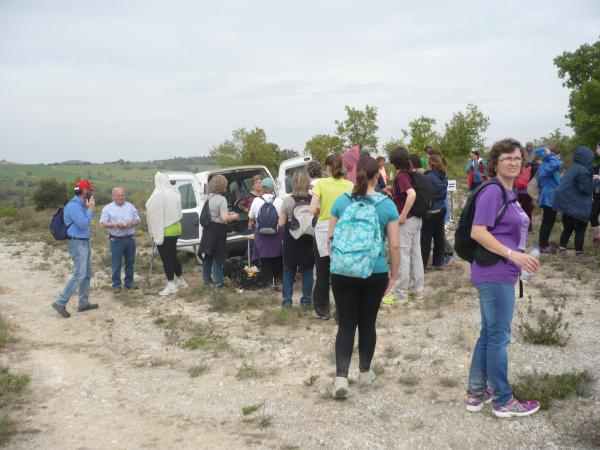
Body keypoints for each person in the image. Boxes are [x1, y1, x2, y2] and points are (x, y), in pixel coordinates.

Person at [466, 138, 541, 418]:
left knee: (489, 333)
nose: (514, 162)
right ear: (495, 163)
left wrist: (522, 259)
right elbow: (478, 232)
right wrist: (513, 255)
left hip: (502, 271)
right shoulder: (493, 192)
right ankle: (503, 399)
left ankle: (476, 392)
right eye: (507, 158)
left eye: (518, 158)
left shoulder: (509, 194)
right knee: (499, 336)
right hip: (494, 273)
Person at [328, 156, 400, 398]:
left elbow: (330, 238)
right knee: (367, 323)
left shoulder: (341, 202)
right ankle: (365, 372)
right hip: (374, 271)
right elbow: (395, 246)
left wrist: (339, 264)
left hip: (342, 271)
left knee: (346, 323)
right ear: (378, 175)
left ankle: (340, 378)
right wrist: (395, 274)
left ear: (355, 174)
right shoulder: (387, 205)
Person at [309, 154, 354, 319]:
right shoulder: (350, 185)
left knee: (322, 272)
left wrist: (322, 211)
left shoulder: (320, 183)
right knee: (341, 271)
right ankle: (342, 311)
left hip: (322, 229)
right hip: (343, 229)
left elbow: (312, 209)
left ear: (327, 167)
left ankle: (322, 310)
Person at [51, 179, 99, 318]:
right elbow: (83, 224)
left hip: (83, 242)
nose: (91, 193)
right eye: (90, 190)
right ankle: (60, 302)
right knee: (80, 274)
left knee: (87, 274)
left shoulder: (80, 205)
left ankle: (83, 303)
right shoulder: (73, 206)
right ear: (84, 191)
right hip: (77, 243)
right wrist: (90, 209)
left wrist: (87, 208)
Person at [383, 147, 424, 304]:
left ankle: (401, 294)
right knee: (416, 255)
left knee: (403, 256)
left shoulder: (401, 176)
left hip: (406, 221)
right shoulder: (411, 173)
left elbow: (411, 194)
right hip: (417, 219)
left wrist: (403, 215)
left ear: (394, 162)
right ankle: (417, 290)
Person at [146, 173, 189, 296]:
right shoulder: (174, 192)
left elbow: (154, 213)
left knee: (167, 258)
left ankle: (171, 284)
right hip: (176, 228)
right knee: (173, 256)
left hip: (165, 230)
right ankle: (181, 281)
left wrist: (154, 232)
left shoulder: (158, 194)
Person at [278, 170, 314, 309]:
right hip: (309, 240)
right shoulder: (313, 199)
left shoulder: (288, 200)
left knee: (288, 272)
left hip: (292, 240)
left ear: (293, 183)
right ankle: (306, 302)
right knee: (308, 271)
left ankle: (287, 302)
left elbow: (281, 223)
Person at [553, 146, 595, 258]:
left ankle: (561, 252)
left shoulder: (574, 167)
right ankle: (579, 255)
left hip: (566, 204)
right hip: (578, 205)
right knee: (580, 229)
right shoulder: (583, 170)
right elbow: (585, 188)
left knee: (568, 228)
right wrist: (595, 182)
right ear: (586, 158)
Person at [199, 175, 239, 287]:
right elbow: (225, 218)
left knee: (208, 255)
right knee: (218, 256)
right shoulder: (222, 199)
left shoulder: (209, 197)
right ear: (223, 185)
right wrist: (235, 216)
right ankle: (219, 282)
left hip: (208, 230)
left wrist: (227, 214)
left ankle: (206, 280)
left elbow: (215, 214)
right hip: (218, 230)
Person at [99, 187, 141, 293]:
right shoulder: (107, 208)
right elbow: (103, 223)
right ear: (113, 196)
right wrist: (115, 225)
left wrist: (133, 223)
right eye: (118, 195)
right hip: (116, 240)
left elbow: (137, 220)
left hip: (130, 238)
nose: (121, 197)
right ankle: (116, 285)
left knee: (130, 262)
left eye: (122, 195)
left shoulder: (131, 207)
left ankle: (129, 282)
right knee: (116, 263)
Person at [248, 177, 283, 288]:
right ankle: (278, 280)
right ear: (273, 188)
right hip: (276, 233)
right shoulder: (279, 200)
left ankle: (267, 282)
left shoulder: (256, 201)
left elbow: (251, 220)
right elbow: (283, 218)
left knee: (264, 257)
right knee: (278, 255)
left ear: (262, 189)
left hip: (261, 234)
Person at [421, 154, 448, 270]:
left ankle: (423, 264)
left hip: (431, 210)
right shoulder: (444, 176)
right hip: (441, 208)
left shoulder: (428, 177)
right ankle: (438, 262)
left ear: (430, 163)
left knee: (426, 238)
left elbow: (424, 194)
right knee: (439, 236)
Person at [535, 146, 563, 253]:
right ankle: (542, 246)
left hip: (550, 196)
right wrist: (550, 155)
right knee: (547, 221)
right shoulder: (548, 164)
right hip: (548, 197)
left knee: (548, 221)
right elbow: (556, 164)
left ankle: (544, 243)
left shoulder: (546, 164)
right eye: (557, 155)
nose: (559, 158)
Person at [591, 140, 600, 244]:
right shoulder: (597, 165)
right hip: (597, 193)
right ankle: (598, 237)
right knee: (592, 215)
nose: (596, 150)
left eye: (597, 148)